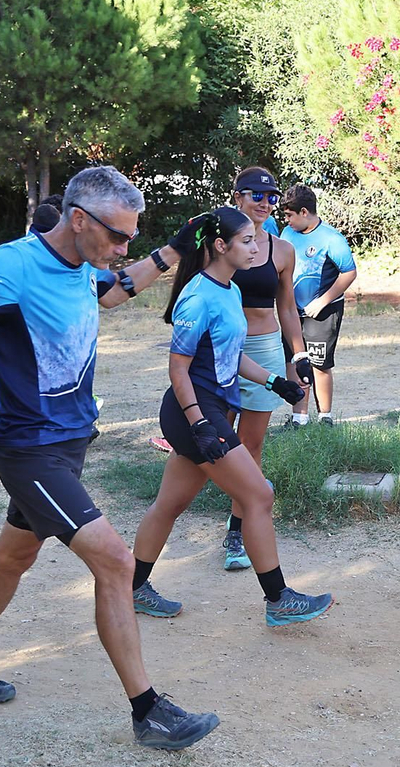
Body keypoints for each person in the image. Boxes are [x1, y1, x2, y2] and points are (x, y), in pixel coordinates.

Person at [0, 165, 219, 750]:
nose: (122, 247)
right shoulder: (14, 265)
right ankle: (148, 711)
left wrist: (172, 251)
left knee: (13, 557)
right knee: (115, 562)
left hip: (70, 444)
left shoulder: (86, 263)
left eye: (131, 237)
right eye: (117, 236)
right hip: (30, 450)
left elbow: (110, 293)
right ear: (78, 220)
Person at [132, 208, 334, 626]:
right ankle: (278, 599)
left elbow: (229, 353)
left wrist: (274, 381)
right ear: (220, 246)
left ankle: (131, 587)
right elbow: (178, 369)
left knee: (169, 504)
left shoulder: (227, 290)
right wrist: (200, 423)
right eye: (246, 241)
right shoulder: (198, 295)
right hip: (195, 412)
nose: (256, 246)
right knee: (258, 495)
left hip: (208, 409)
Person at [196, 173, 311, 570]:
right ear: (237, 197)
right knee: (217, 438)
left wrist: (298, 356)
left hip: (262, 347)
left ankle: (237, 528)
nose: (265, 202)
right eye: (256, 195)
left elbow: (288, 308)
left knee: (251, 444)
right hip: (223, 346)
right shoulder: (217, 245)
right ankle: (246, 498)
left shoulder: (282, 250)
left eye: (273, 196)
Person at [280, 184, 357, 425]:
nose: (286, 220)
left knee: (319, 363)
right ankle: (298, 418)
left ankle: (325, 418)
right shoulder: (287, 234)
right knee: (295, 360)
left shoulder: (331, 238)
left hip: (323, 311)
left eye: (289, 215)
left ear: (304, 212)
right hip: (292, 311)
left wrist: (322, 302)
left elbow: (349, 273)